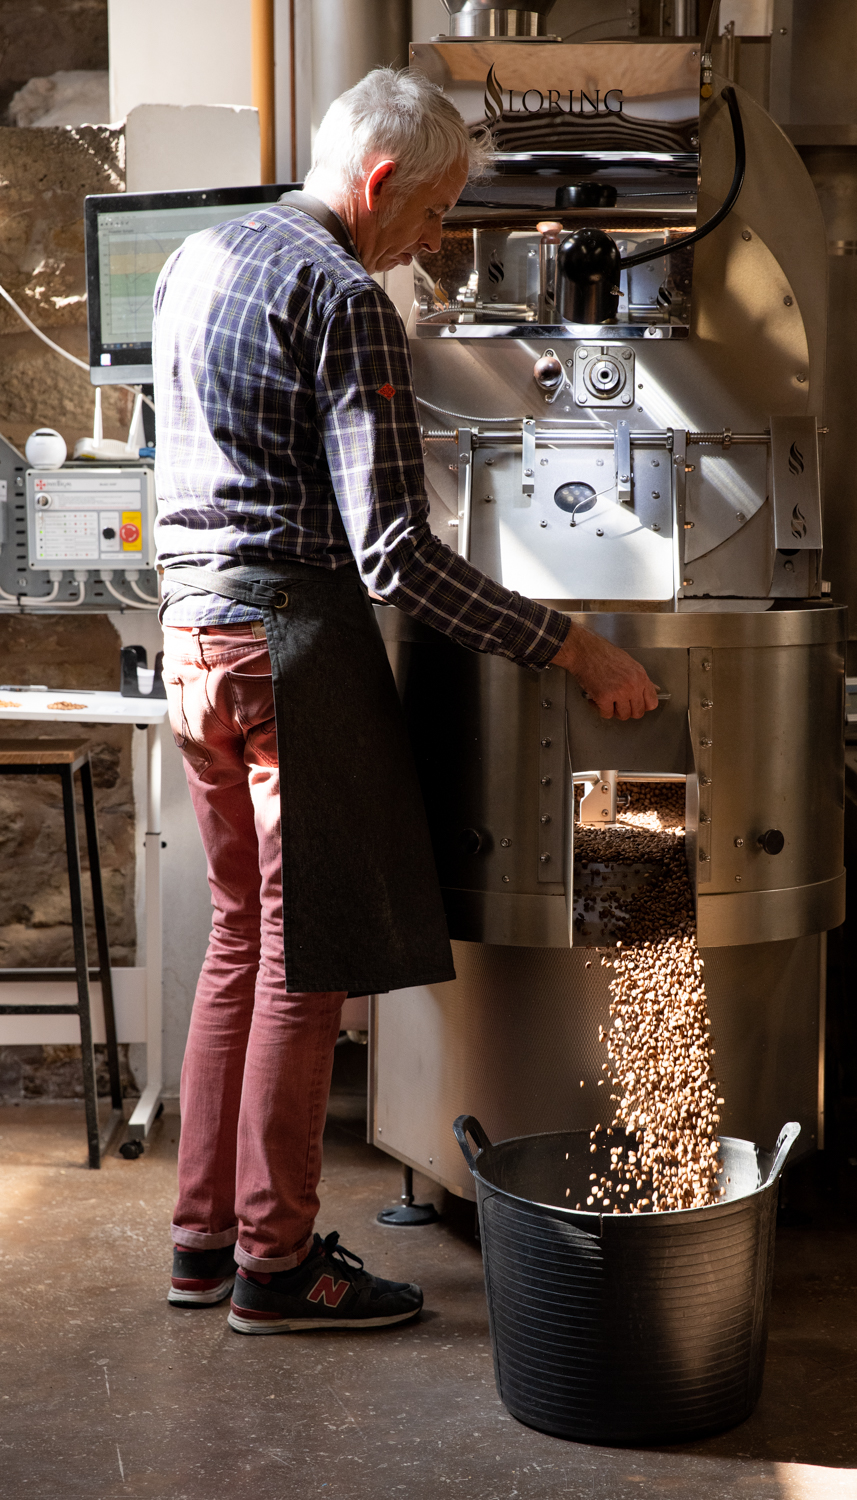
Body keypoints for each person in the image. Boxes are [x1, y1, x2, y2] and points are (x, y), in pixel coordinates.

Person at [153, 67, 658, 1337]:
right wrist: (573, 649)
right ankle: (278, 1265)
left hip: (193, 638)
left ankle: (202, 1243)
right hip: (287, 646)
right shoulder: (343, 294)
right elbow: (398, 559)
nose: (432, 241)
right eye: (434, 214)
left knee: (236, 943)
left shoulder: (197, 258)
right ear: (378, 185)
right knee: (303, 965)